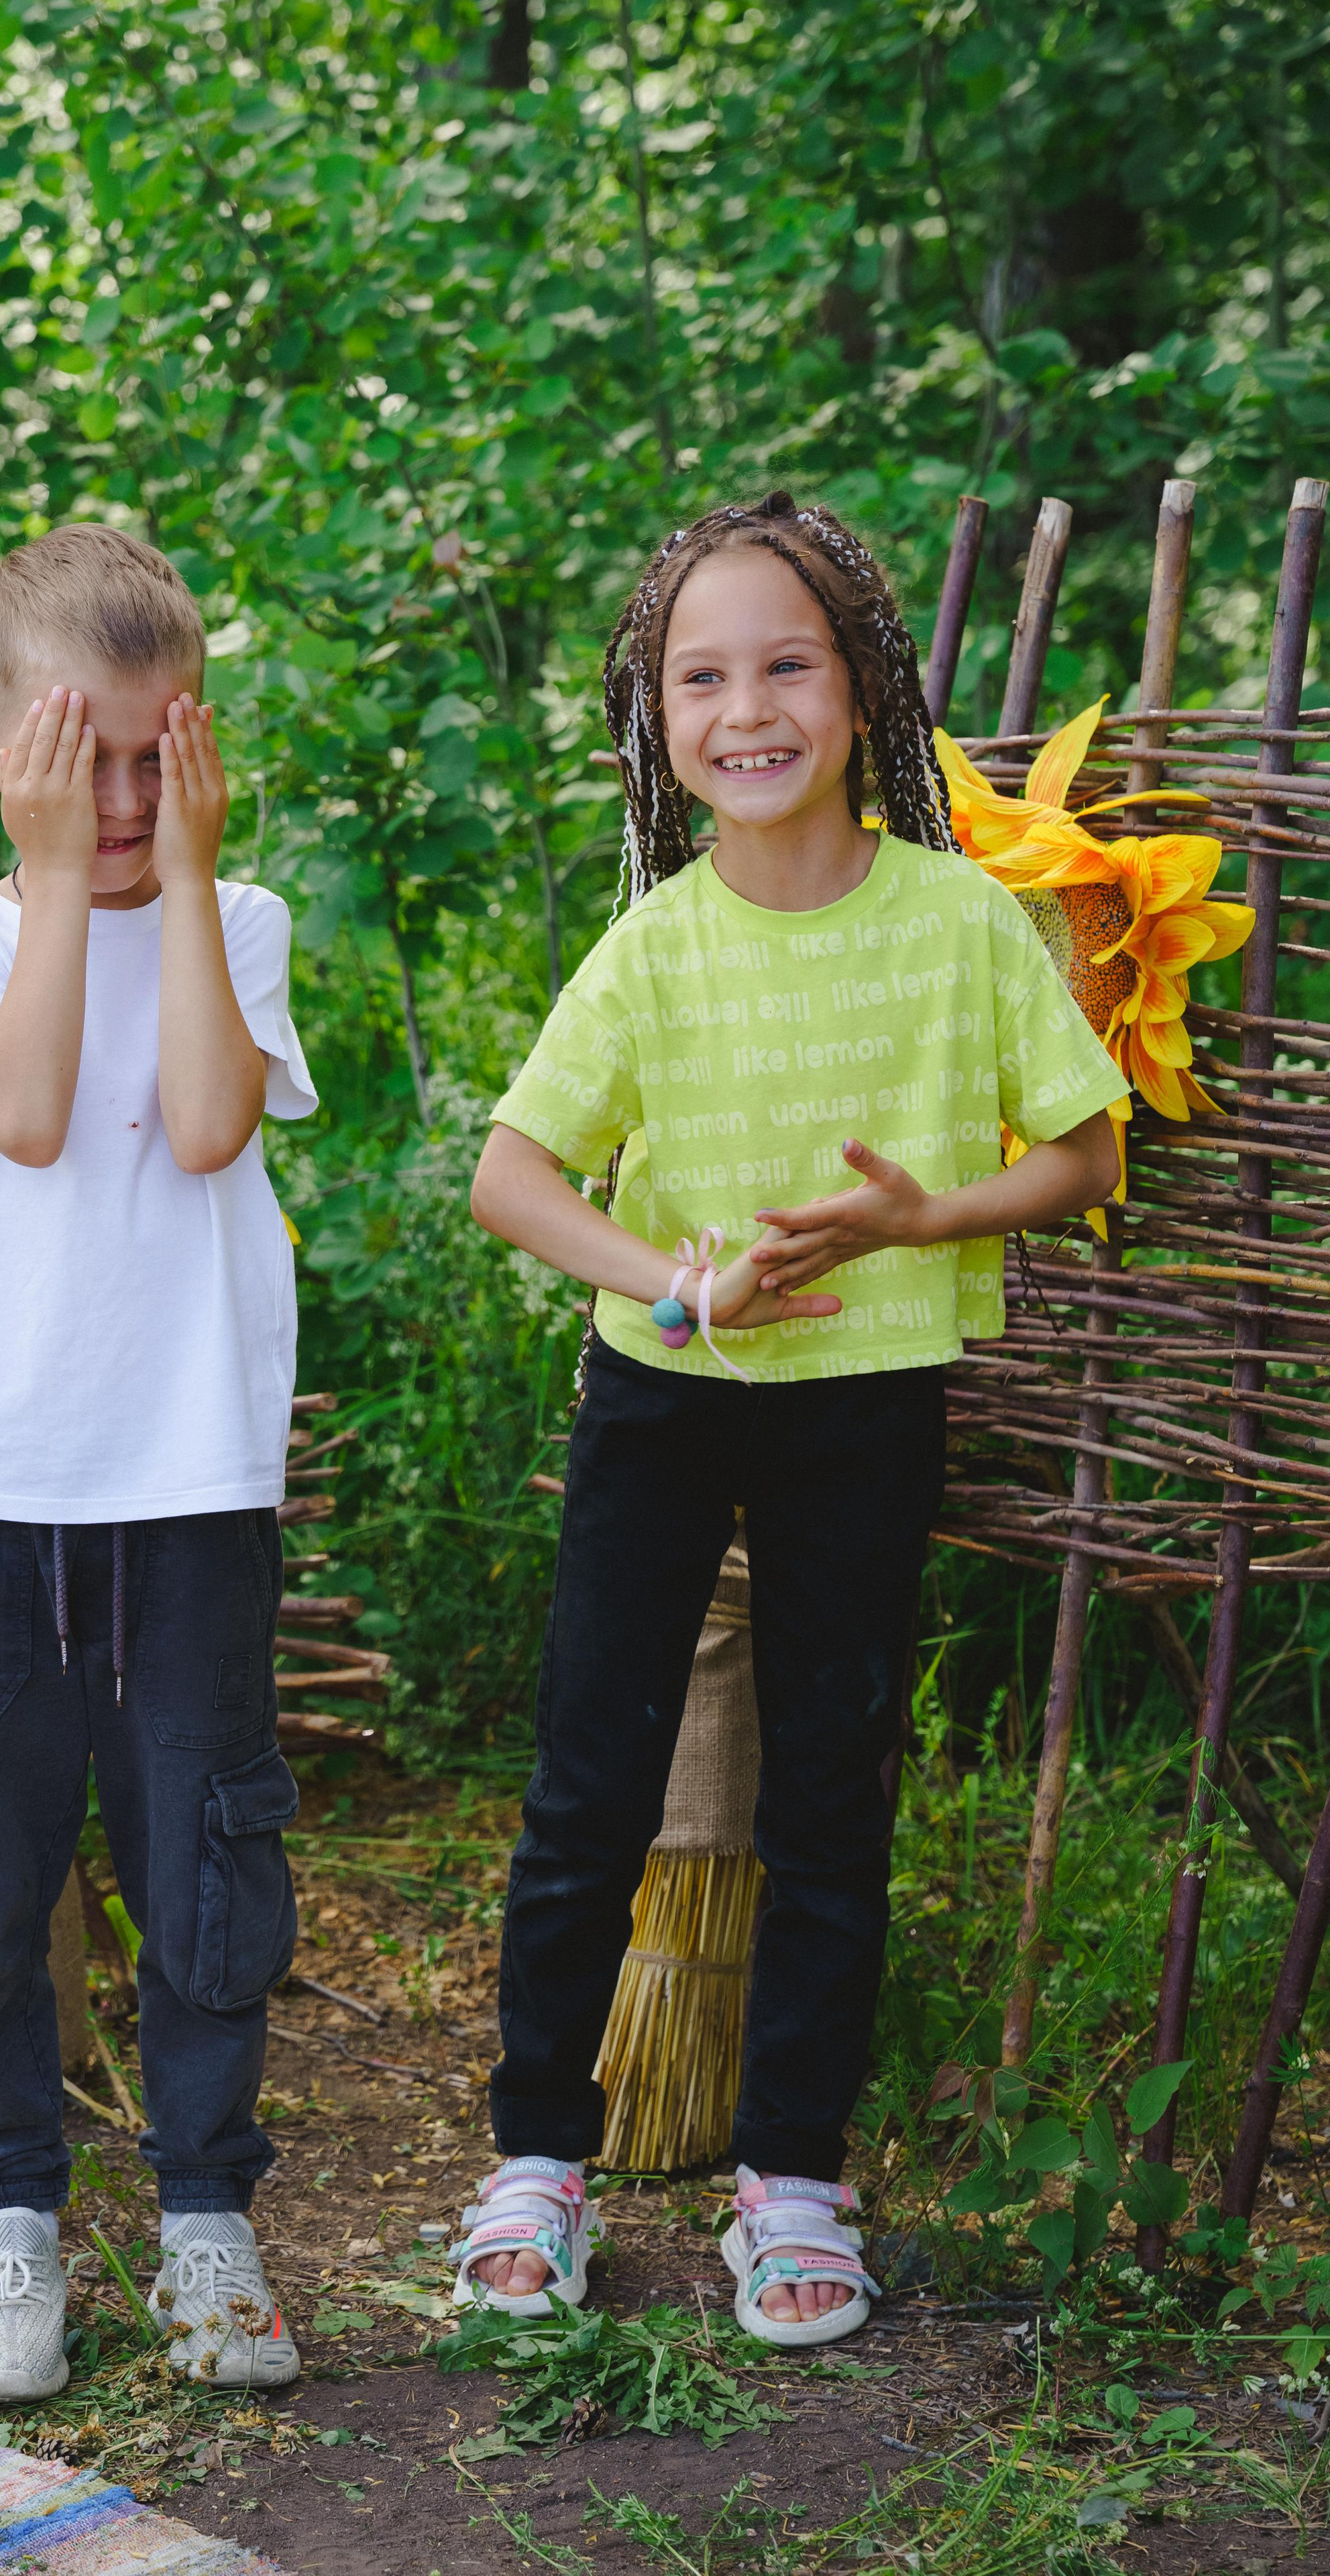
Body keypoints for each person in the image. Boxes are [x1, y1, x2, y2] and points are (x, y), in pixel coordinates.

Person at [456, 492, 1125, 2348]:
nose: (745, 709)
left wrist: (924, 1217)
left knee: (833, 1799)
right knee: (592, 1786)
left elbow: (1084, 1153)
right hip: (663, 1393)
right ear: (656, 719)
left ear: (865, 692)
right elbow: (515, 1178)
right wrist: (670, 1278)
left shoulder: (961, 925)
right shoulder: (653, 946)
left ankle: (796, 2180)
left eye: (786, 665)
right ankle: (536, 2158)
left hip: (869, 1399)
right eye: (701, 676)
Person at [0, 524, 315, 2403]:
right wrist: (62, 882)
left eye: (161, 758)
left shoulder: (242, 924)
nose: (128, 800)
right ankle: (10, 2226)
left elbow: (212, 1128)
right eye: (86, 759)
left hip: (192, 1481)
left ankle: (207, 2212)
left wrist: (190, 877)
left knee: (205, 1850)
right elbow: (37, 1116)